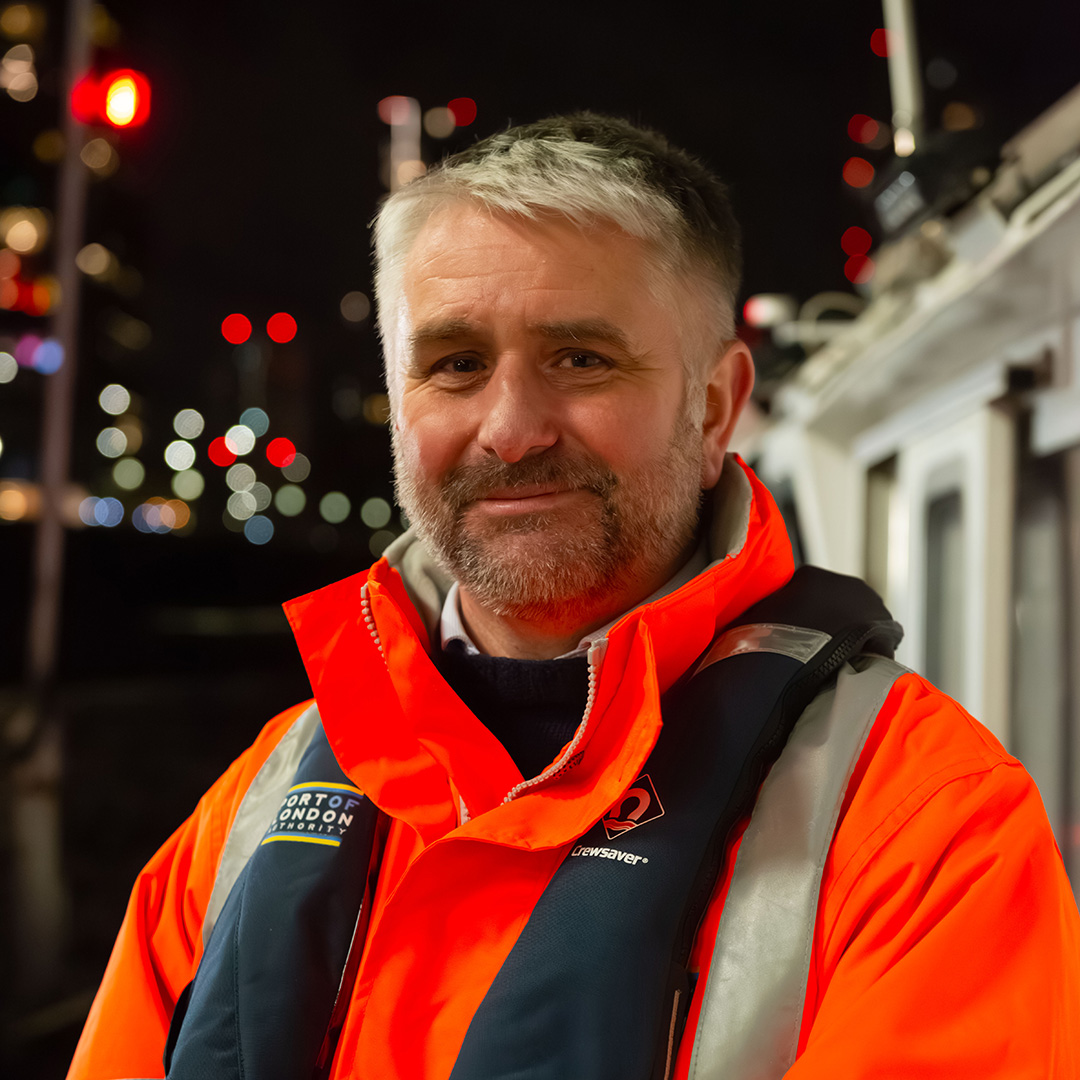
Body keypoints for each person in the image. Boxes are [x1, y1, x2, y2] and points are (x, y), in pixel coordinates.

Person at [68, 114, 1079, 1080]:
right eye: (456, 364)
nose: (511, 428)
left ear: (718, 402)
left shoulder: (929, 835)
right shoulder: (249, 810)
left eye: (581, 359)